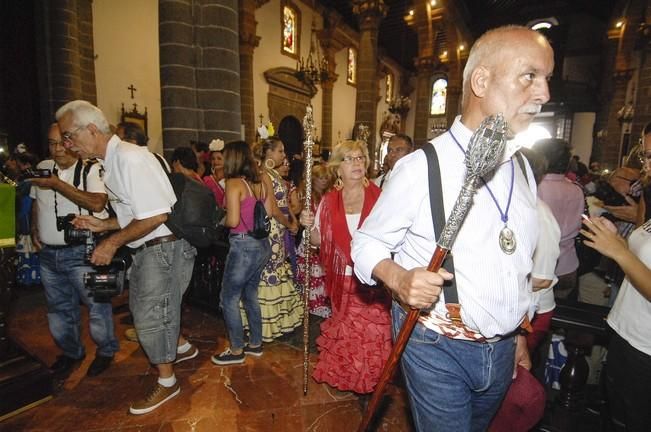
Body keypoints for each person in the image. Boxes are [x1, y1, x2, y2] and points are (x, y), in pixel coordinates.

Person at [352, 25, 553, 431]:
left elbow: (516, 263)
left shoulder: (524, 169)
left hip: (501, 351)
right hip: (436, 345)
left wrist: (517, 334)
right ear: (481, 80)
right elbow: (367, 242)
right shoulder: (419, 167)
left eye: (547, 79)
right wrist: (399, 277)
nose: (544, 94)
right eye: (530, 76)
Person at [56, 100, 198, 415]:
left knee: (150, 315)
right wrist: (102, 224)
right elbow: (135, 214)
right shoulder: (112, 162)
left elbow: (157, 216)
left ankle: (167, 383)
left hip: (163, 247)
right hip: (151, 247)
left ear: (90, 129)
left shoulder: (131, 159)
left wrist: (110, 244)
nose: (67, 144)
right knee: (147, 308)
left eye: (69, 136)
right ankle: (181, 347)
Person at [300, 140, 391, 396]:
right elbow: (319, 241)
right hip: (341, 279)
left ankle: (372, 380)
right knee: (348, 333)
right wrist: (308, 226)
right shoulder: (329, 202)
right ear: (338, 168)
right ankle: (350, 377)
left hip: (374, 278)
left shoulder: (381, 197)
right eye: (349, 159)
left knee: (372, 334)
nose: (357, 163)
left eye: (360, 158)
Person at [29, 123, 118, 378]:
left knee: (98, 305)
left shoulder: (91, 168)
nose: (55, 149)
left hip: (85, 251)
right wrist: (35, 229)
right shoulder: (44, 169)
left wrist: (57, 184)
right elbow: (37, 201)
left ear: (71, 141)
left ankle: (106, 351)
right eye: (50, 143)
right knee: (58, 309)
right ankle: (71, 352)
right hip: (48, 253)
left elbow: (97, 201)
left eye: (60, 142)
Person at [581, 214, 651, 432]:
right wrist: (615, 241)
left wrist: (619, 252)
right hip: (626, 331)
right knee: (617, 417)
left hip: (645, 347)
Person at [211, 141, 272, 365]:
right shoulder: (261, 180)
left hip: (243, 245)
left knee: (228, 298)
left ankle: (236, 349)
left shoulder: (234, 183)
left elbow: (234, 220)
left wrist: (219, 220)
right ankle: (255, 343)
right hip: (262, 245)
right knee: (250, 294)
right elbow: (270, 212)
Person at [249, 137, 302, 342]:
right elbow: (271, 210)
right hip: (271, 229)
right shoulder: (264, 175)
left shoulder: (274, 175)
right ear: (268, 153)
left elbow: (285, 202)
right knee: (270, 270)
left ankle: (280, 319)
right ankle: (265, 324)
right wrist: (289, 224)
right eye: (280, 151)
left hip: (280, 229)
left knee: (278, 267)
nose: (284, 155)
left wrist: (293, 220)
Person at [533, 138, 584, 300]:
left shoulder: (535, 188)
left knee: (536, 317)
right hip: (568, 264)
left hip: (539, 268)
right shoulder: (576, 189)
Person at [203, 139, 225, 207]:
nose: (215, 161)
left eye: (219, 158)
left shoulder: (231, 179)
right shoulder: (207, 180)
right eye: (213, 159)